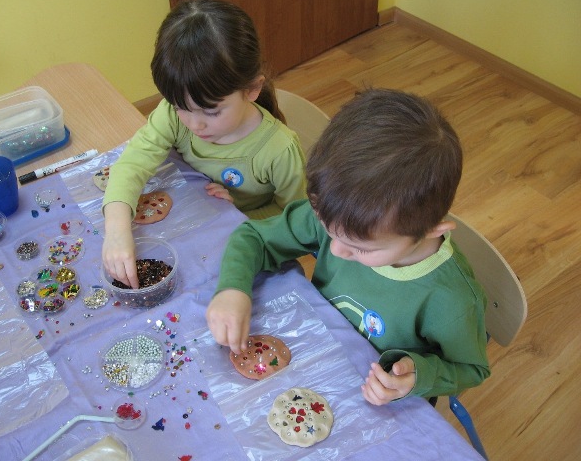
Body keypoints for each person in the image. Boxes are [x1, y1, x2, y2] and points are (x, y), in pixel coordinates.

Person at [206, 88, 491, 405]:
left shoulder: (451, 300)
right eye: (328, 230)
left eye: (361, 249)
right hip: (318, 352)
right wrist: (233, 288)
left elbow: (471, 370)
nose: (335, 251)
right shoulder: (342, 214)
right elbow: (255, 237)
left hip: (380, 397)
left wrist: (418, 376)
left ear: (430, 231)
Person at [102, 0, 307, 288]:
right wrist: (116, 230)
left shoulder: (279, 150)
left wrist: (237, 212)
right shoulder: (173, 115)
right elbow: (133, 162)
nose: (195, 124)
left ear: (252, 89)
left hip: (239, 240)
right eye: (180, 107)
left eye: (211, 112)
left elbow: (295, 221)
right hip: (193, 220)